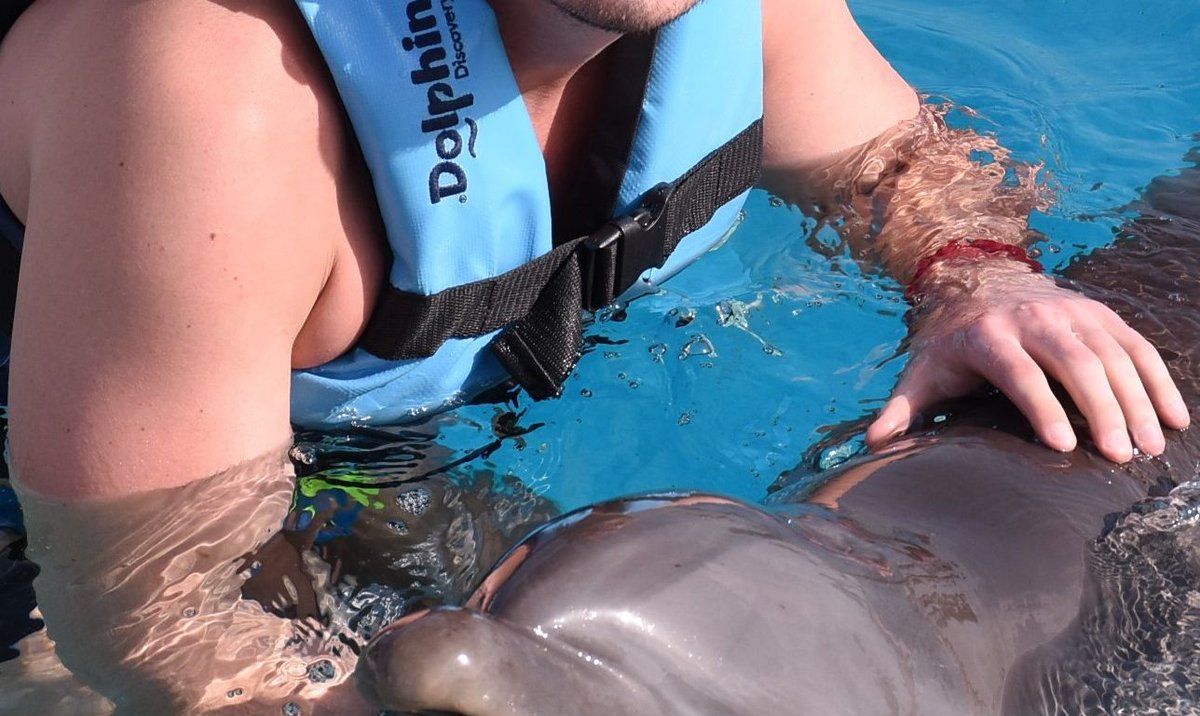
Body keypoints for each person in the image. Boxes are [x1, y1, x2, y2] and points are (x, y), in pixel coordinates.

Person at [0, 0, 1188, 510]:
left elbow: (897, 163)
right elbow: (141, 616)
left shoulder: (730, 15)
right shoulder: (215, 89)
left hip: (376, 473)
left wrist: (980, 278)